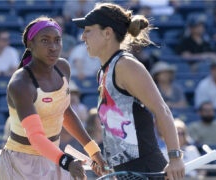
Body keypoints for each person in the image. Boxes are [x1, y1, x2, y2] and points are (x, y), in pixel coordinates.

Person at [72, 3, 185, 180]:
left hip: (147, 170)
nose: (82, 37)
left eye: (88, 30)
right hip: (125, 173)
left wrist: (175, 158)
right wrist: (108, 163)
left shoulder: (126, 66)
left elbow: (162, 110)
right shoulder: (104, 71)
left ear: (107, 33)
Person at [0, 16, 106, 180]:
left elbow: (65, 112)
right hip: (21, 162)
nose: (53, 47)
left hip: (54, 156)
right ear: (30, 44)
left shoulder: (63, 68)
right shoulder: (20, 84)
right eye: (45, 41)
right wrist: (66, 162)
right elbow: (35, 137)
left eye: (57, 40)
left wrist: (94, 151)